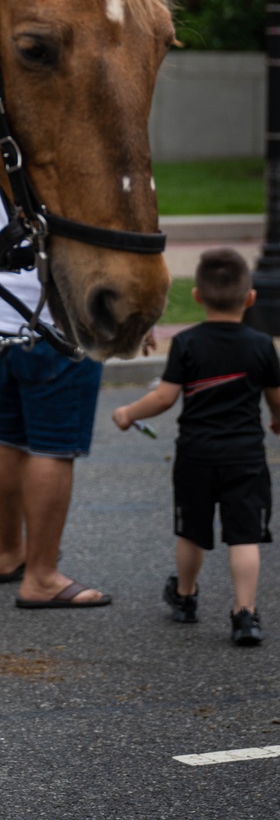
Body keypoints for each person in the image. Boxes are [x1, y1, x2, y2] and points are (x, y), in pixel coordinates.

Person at [112, 247, 280, 646]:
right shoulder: (261, 345)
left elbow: (165, 398)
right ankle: (245, 614)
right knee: (244, 538)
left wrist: (129, 413)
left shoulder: (187, 343)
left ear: (198, 297)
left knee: (192, 532)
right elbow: (276, 400)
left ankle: (185, 597)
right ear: (250, 297)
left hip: (196, 456)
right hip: (246, 457)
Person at [0, 174, 110, 608]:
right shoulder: (70, 136)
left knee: (10, 437)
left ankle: (8, 554)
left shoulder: (4, 125)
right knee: (53, 448)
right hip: (56, 311)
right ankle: (42, 576)